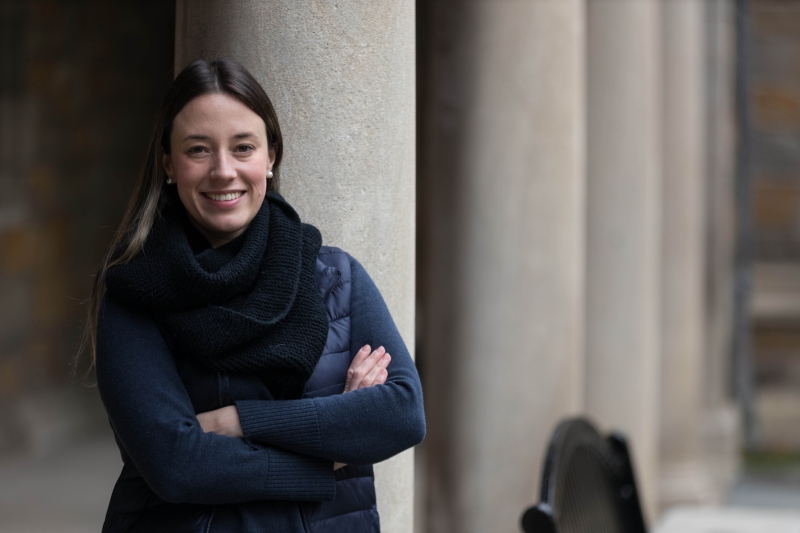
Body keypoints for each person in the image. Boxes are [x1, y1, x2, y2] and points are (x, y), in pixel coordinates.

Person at [83, 58, 425, 533]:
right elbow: (177, 465)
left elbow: (401, 414)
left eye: (243, 147)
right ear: (167, 162)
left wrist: (239, 422)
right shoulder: (132, 291)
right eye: (198, 149)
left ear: (270, 157)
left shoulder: (336, 277)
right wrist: (328, 453)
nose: (223, 171)